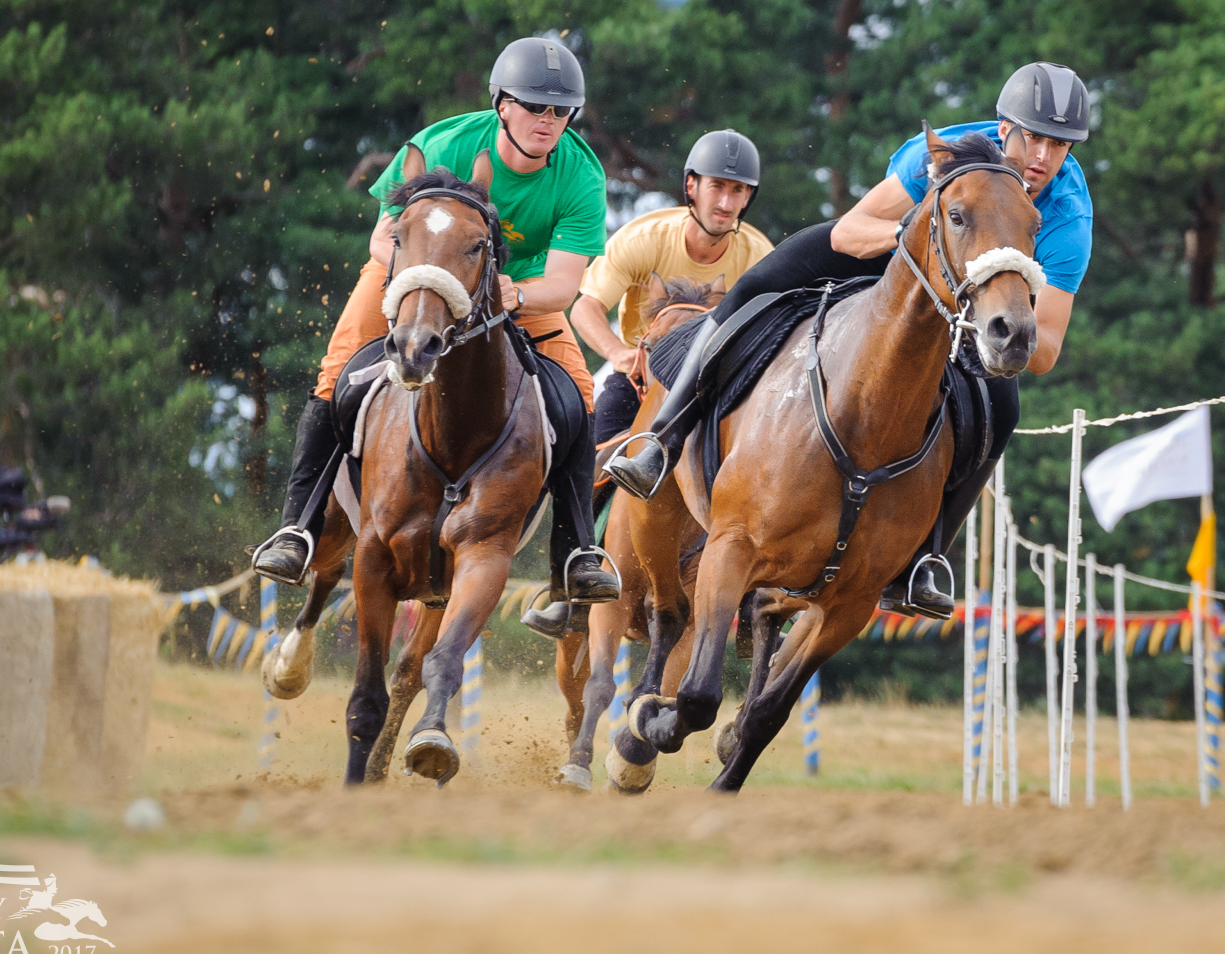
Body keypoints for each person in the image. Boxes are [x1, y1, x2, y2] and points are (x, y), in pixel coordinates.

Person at [604, 62, 1094, 618]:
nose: (1043, 158)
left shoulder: (1069, 214)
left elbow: (1047, 346)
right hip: (895, 256)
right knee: (754, 287)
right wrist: (927, 241)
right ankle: (662, 439)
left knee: (1002, 407)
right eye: (1033, 136)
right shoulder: (940, 154)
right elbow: (847, 231)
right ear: (1004, 126)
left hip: (966, 306)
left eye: (1060, 145)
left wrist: (985, 311)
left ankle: (925, 559)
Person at [248, 36, 619, 615]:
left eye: (561, 111)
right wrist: (424, 283)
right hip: (415, 277)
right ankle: (296, 530)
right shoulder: (441, 143)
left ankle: (575, 556)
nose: (549, 122)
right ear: (502, 104)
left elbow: (565, 287)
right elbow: (381, 238)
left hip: (513, 289)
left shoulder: (580, 176)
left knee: (580, 396)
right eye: (534, 106)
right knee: (334, 375)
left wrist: (506, 292)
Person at [572, 129, 774, 450]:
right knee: (593, 461)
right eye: (717, 186)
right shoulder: (642, 239)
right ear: (691, 186)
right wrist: (620, 356)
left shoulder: (761, 258)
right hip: (639, 378)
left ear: (748, 198)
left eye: (738, 190)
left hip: (717, 384)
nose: (725, 203)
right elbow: (586, 308)